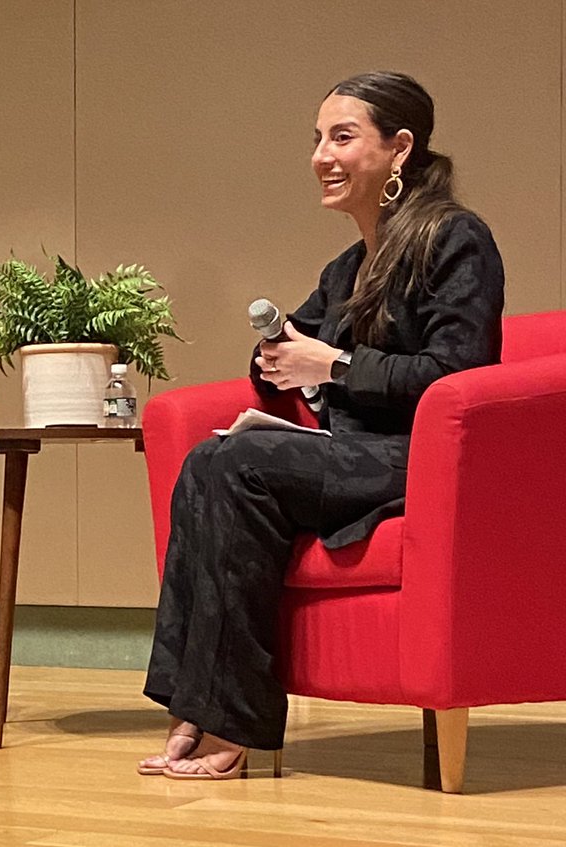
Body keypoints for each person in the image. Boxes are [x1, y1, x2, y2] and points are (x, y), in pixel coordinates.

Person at [138, 72, 504, 779]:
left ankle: (228, 719)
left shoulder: (455, 238)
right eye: (317, 139)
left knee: (236, 466)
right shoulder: (347, 268)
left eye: (343, 137)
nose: (321, 156)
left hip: (416, 457)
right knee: (210, 458)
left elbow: (455, 378)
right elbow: (293, 348)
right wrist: (275, 355)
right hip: (353, 452)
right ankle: (197, 703)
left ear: (400, 149)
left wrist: (332, 365)